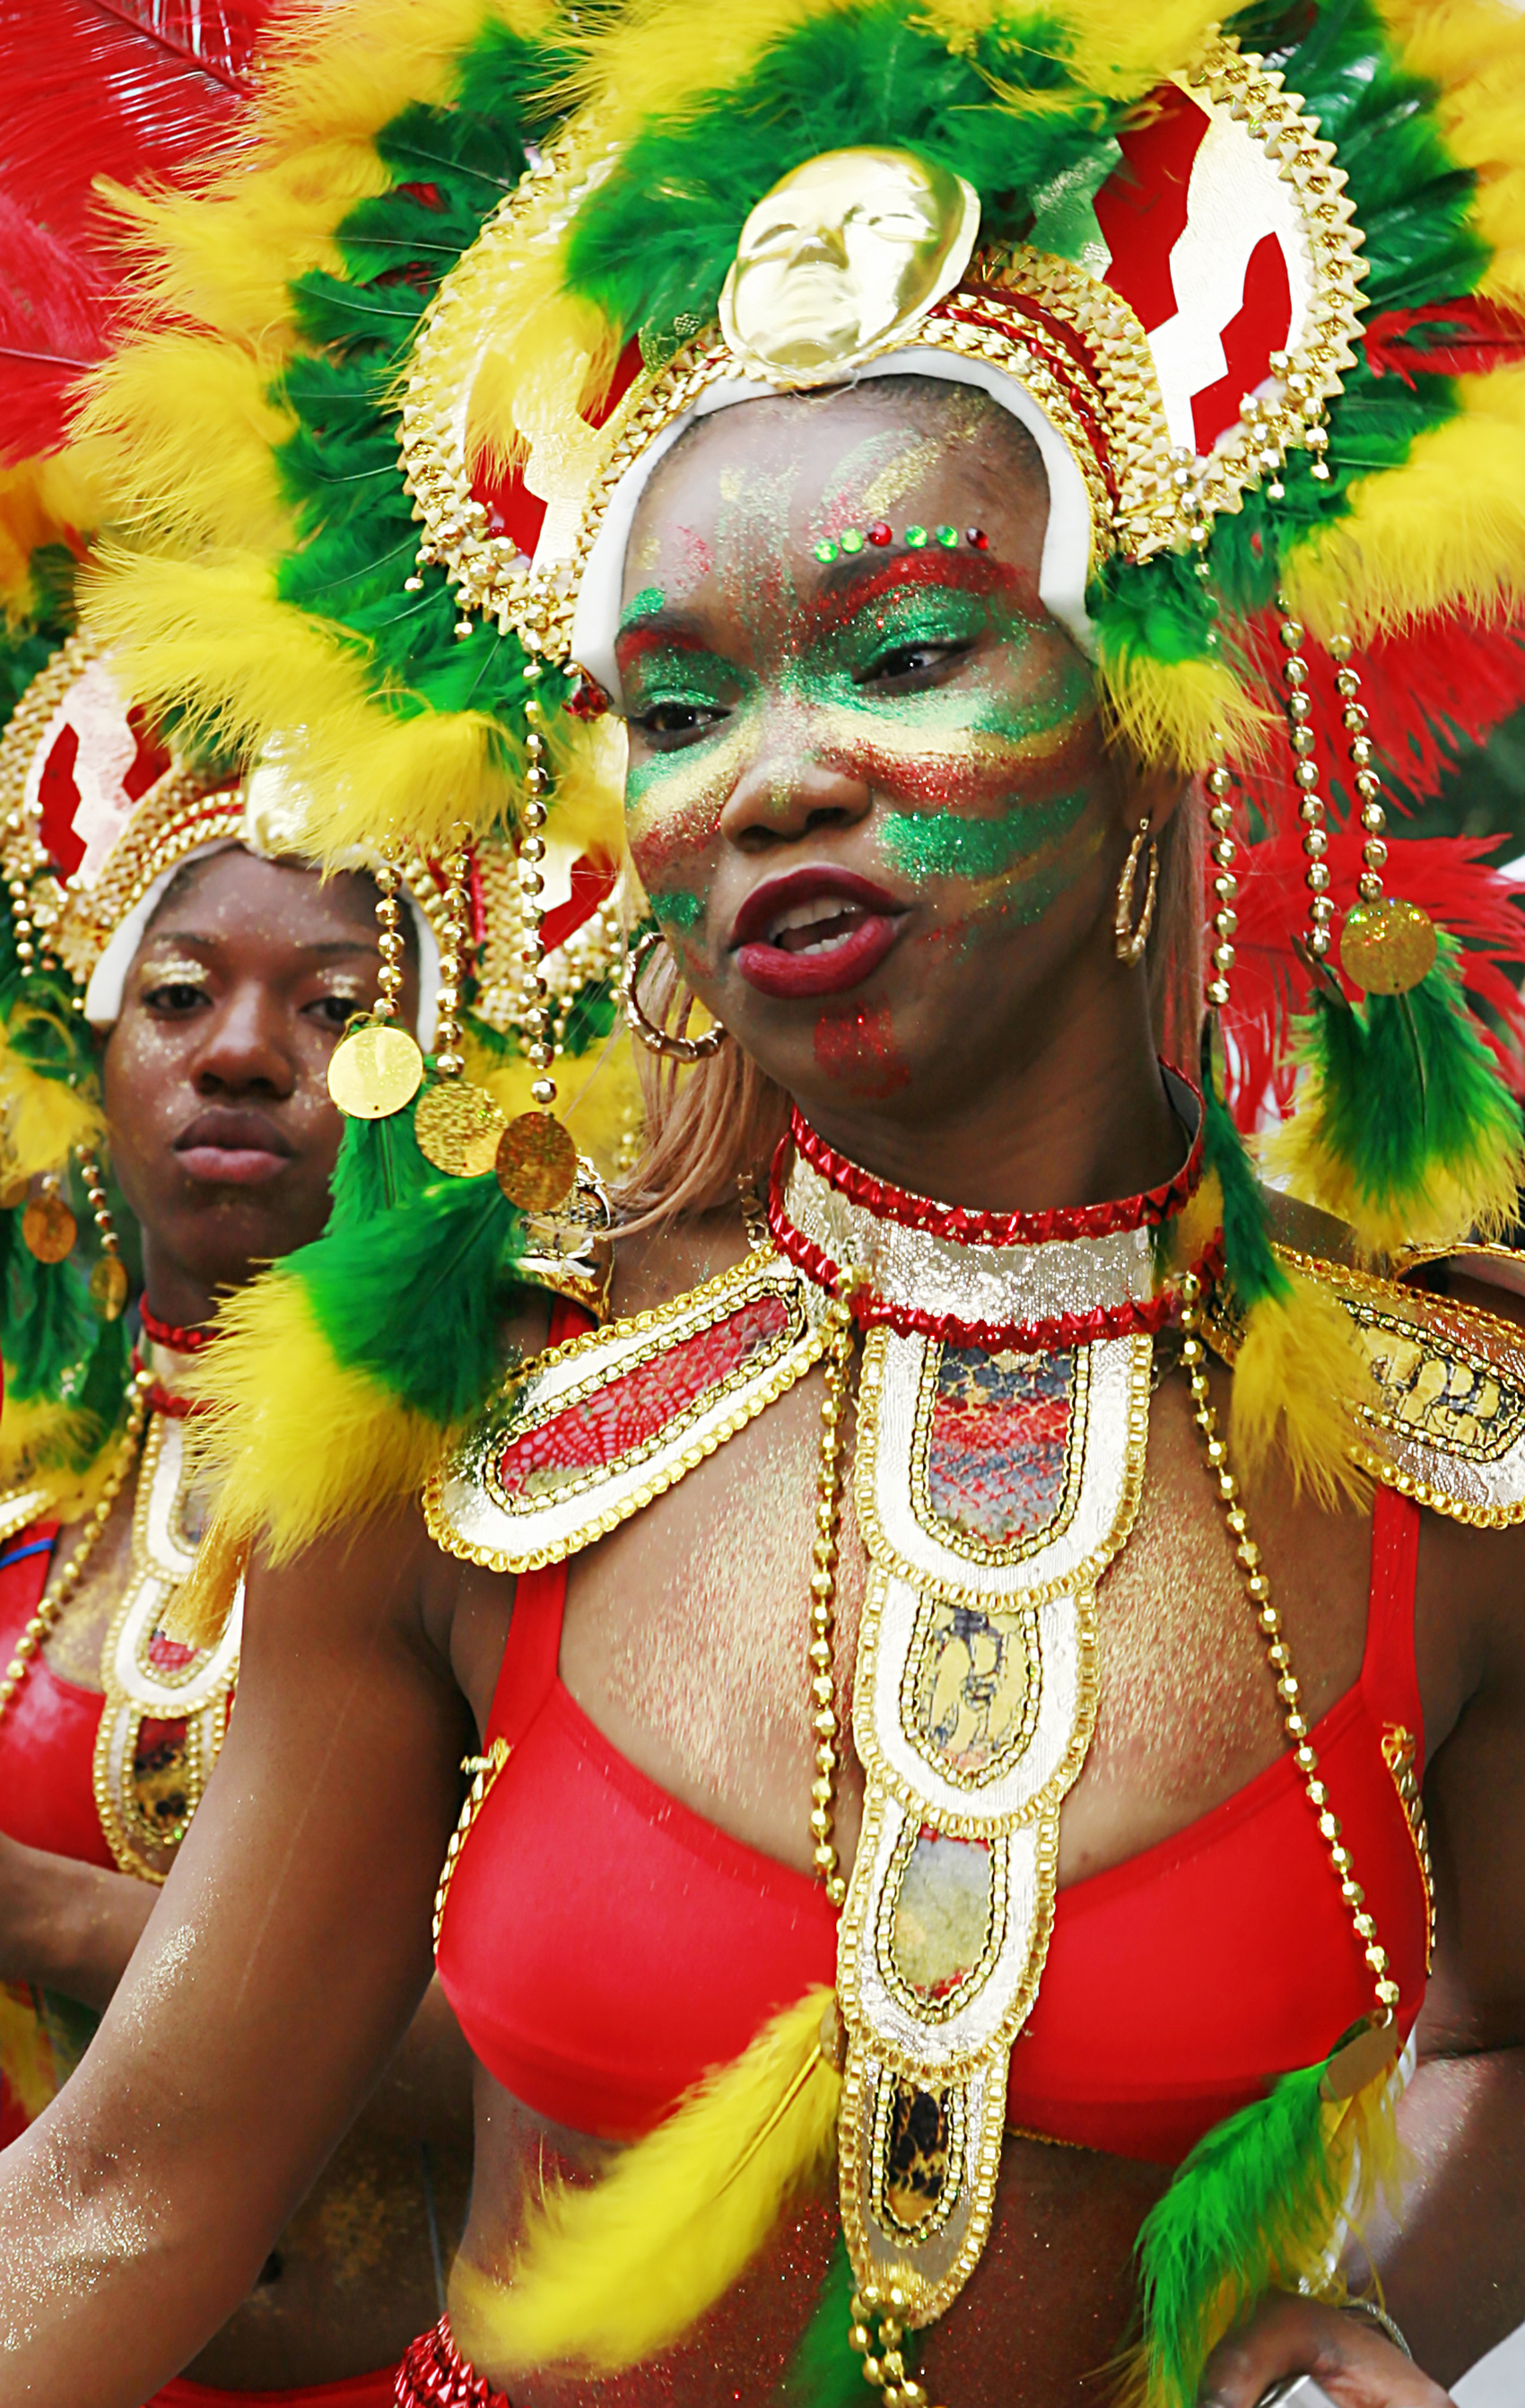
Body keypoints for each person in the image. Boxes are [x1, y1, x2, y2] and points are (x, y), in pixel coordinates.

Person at [4, 0, 1525, 2404]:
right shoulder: (463, 1443)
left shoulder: (1459, 1467)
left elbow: (1497, 2050)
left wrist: (1365, 2319)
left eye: (906, 650)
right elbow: (125, 2185)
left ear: (1144, 728)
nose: (774, 779)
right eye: (682, 703)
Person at [0, 638, 483, 2401]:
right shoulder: (30, 1506)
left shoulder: (518, 1505)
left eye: (341, 1013)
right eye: (180, 995)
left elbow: (570, 2059)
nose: (247, 1056)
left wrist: (44, 1914)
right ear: (98, 1058)